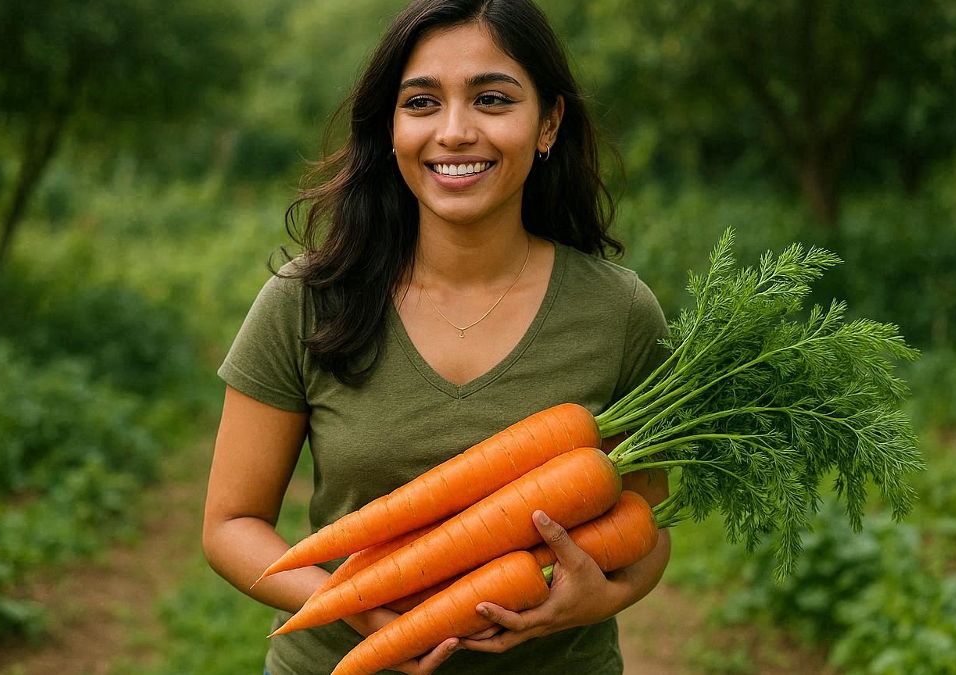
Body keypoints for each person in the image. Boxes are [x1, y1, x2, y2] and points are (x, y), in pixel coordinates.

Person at [202, 0, 673, 672]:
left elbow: (646, 531)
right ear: (391, 128)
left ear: (548, 123)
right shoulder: (308, 300)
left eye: (491, 99)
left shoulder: (618, 311)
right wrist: (355, 603)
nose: (454, 131)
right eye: (421, 102)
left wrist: (597, 598)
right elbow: (229, 526)